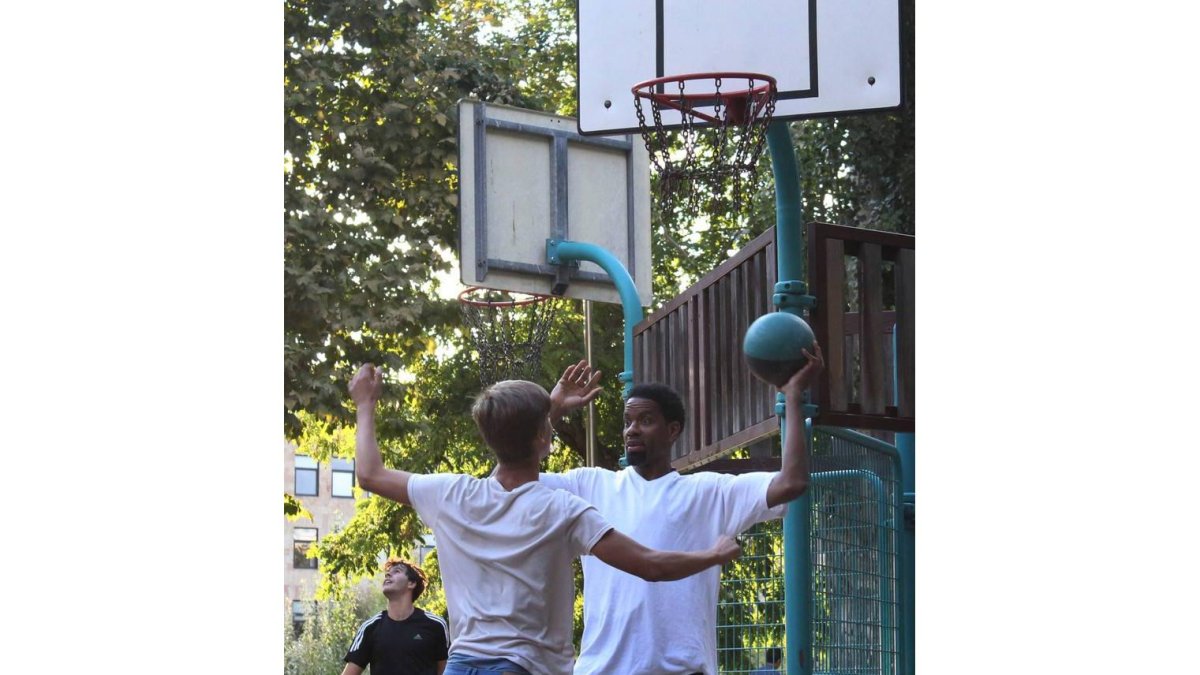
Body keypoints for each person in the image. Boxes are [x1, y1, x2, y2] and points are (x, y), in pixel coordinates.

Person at [350, 364, 743, 675]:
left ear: (488, 438)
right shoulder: (562, 510)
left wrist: (365, 405)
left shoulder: (451, 494)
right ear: (546, 438)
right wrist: (712, 554)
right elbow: (651, 566)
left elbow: (369, 473)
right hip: (524, 667)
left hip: (460, 665)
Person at [541, 343, 824, 675]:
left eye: (645, 420)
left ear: (672, 430)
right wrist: (552, 408)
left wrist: (792, 397)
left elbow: (792, 482)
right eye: (628, 421)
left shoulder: (708, 492)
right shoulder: (590, 485)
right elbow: (513, 479)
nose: (632, 429)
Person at [341, 557, 449, 675]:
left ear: (411, 583)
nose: (388, 574)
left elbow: (445, 670)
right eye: (387, 573)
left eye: (396, 571)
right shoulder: (370, 628)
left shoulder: (436, 625)